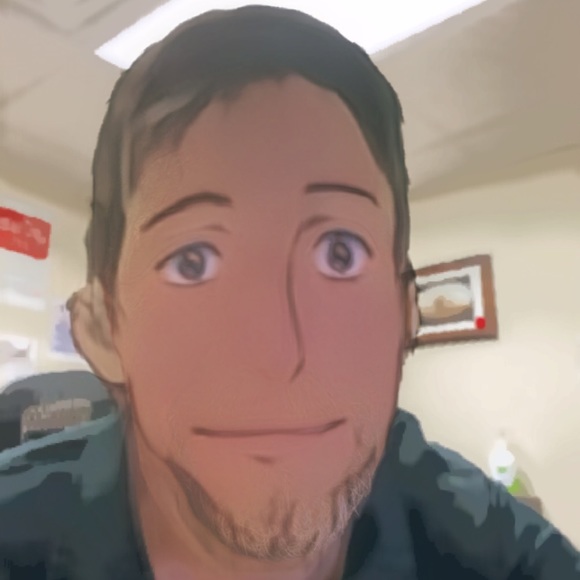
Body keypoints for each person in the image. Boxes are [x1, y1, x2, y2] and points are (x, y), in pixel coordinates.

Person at [0, 5, 578, 580]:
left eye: (339, 253)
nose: (278, 355)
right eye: (193, 261)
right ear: (103, 329)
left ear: (406, 315)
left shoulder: (482, 542)